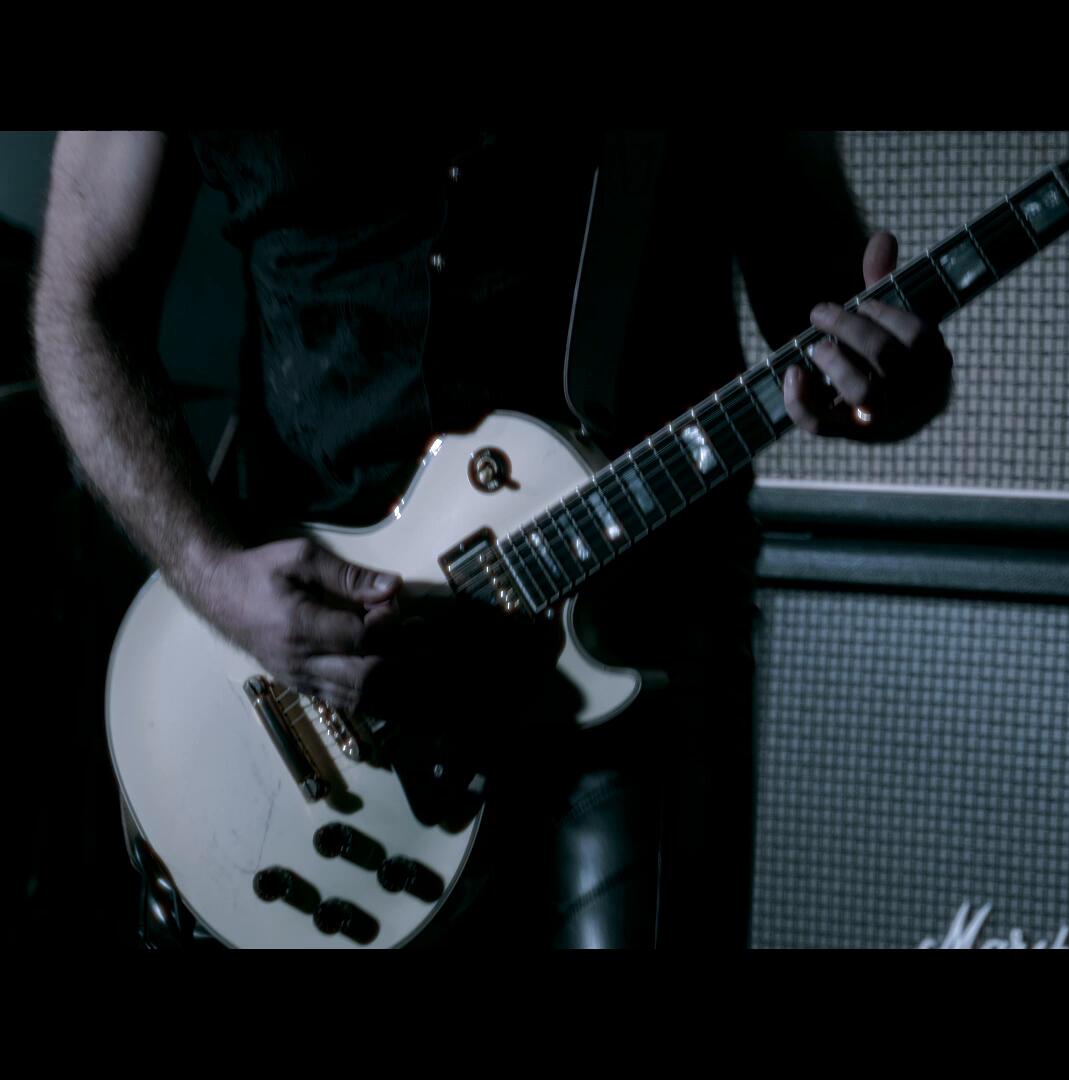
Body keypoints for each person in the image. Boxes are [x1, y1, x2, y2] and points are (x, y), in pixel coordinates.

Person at [31, 130, 954, 948]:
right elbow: (80, 303)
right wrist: (211, 575)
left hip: (633, 653)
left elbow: (833, 312)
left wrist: (891, 379)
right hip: (311, 681)